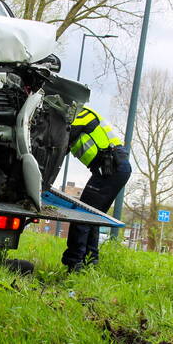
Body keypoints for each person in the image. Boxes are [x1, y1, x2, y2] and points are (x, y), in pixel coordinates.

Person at [61, 105, 132, 272]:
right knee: (92, 217)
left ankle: (75, 262)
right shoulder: (81, 117)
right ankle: (89, 262)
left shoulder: (83, 114)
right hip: (112, 169)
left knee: (82, 214)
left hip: (111, 167)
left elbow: (64, 134)